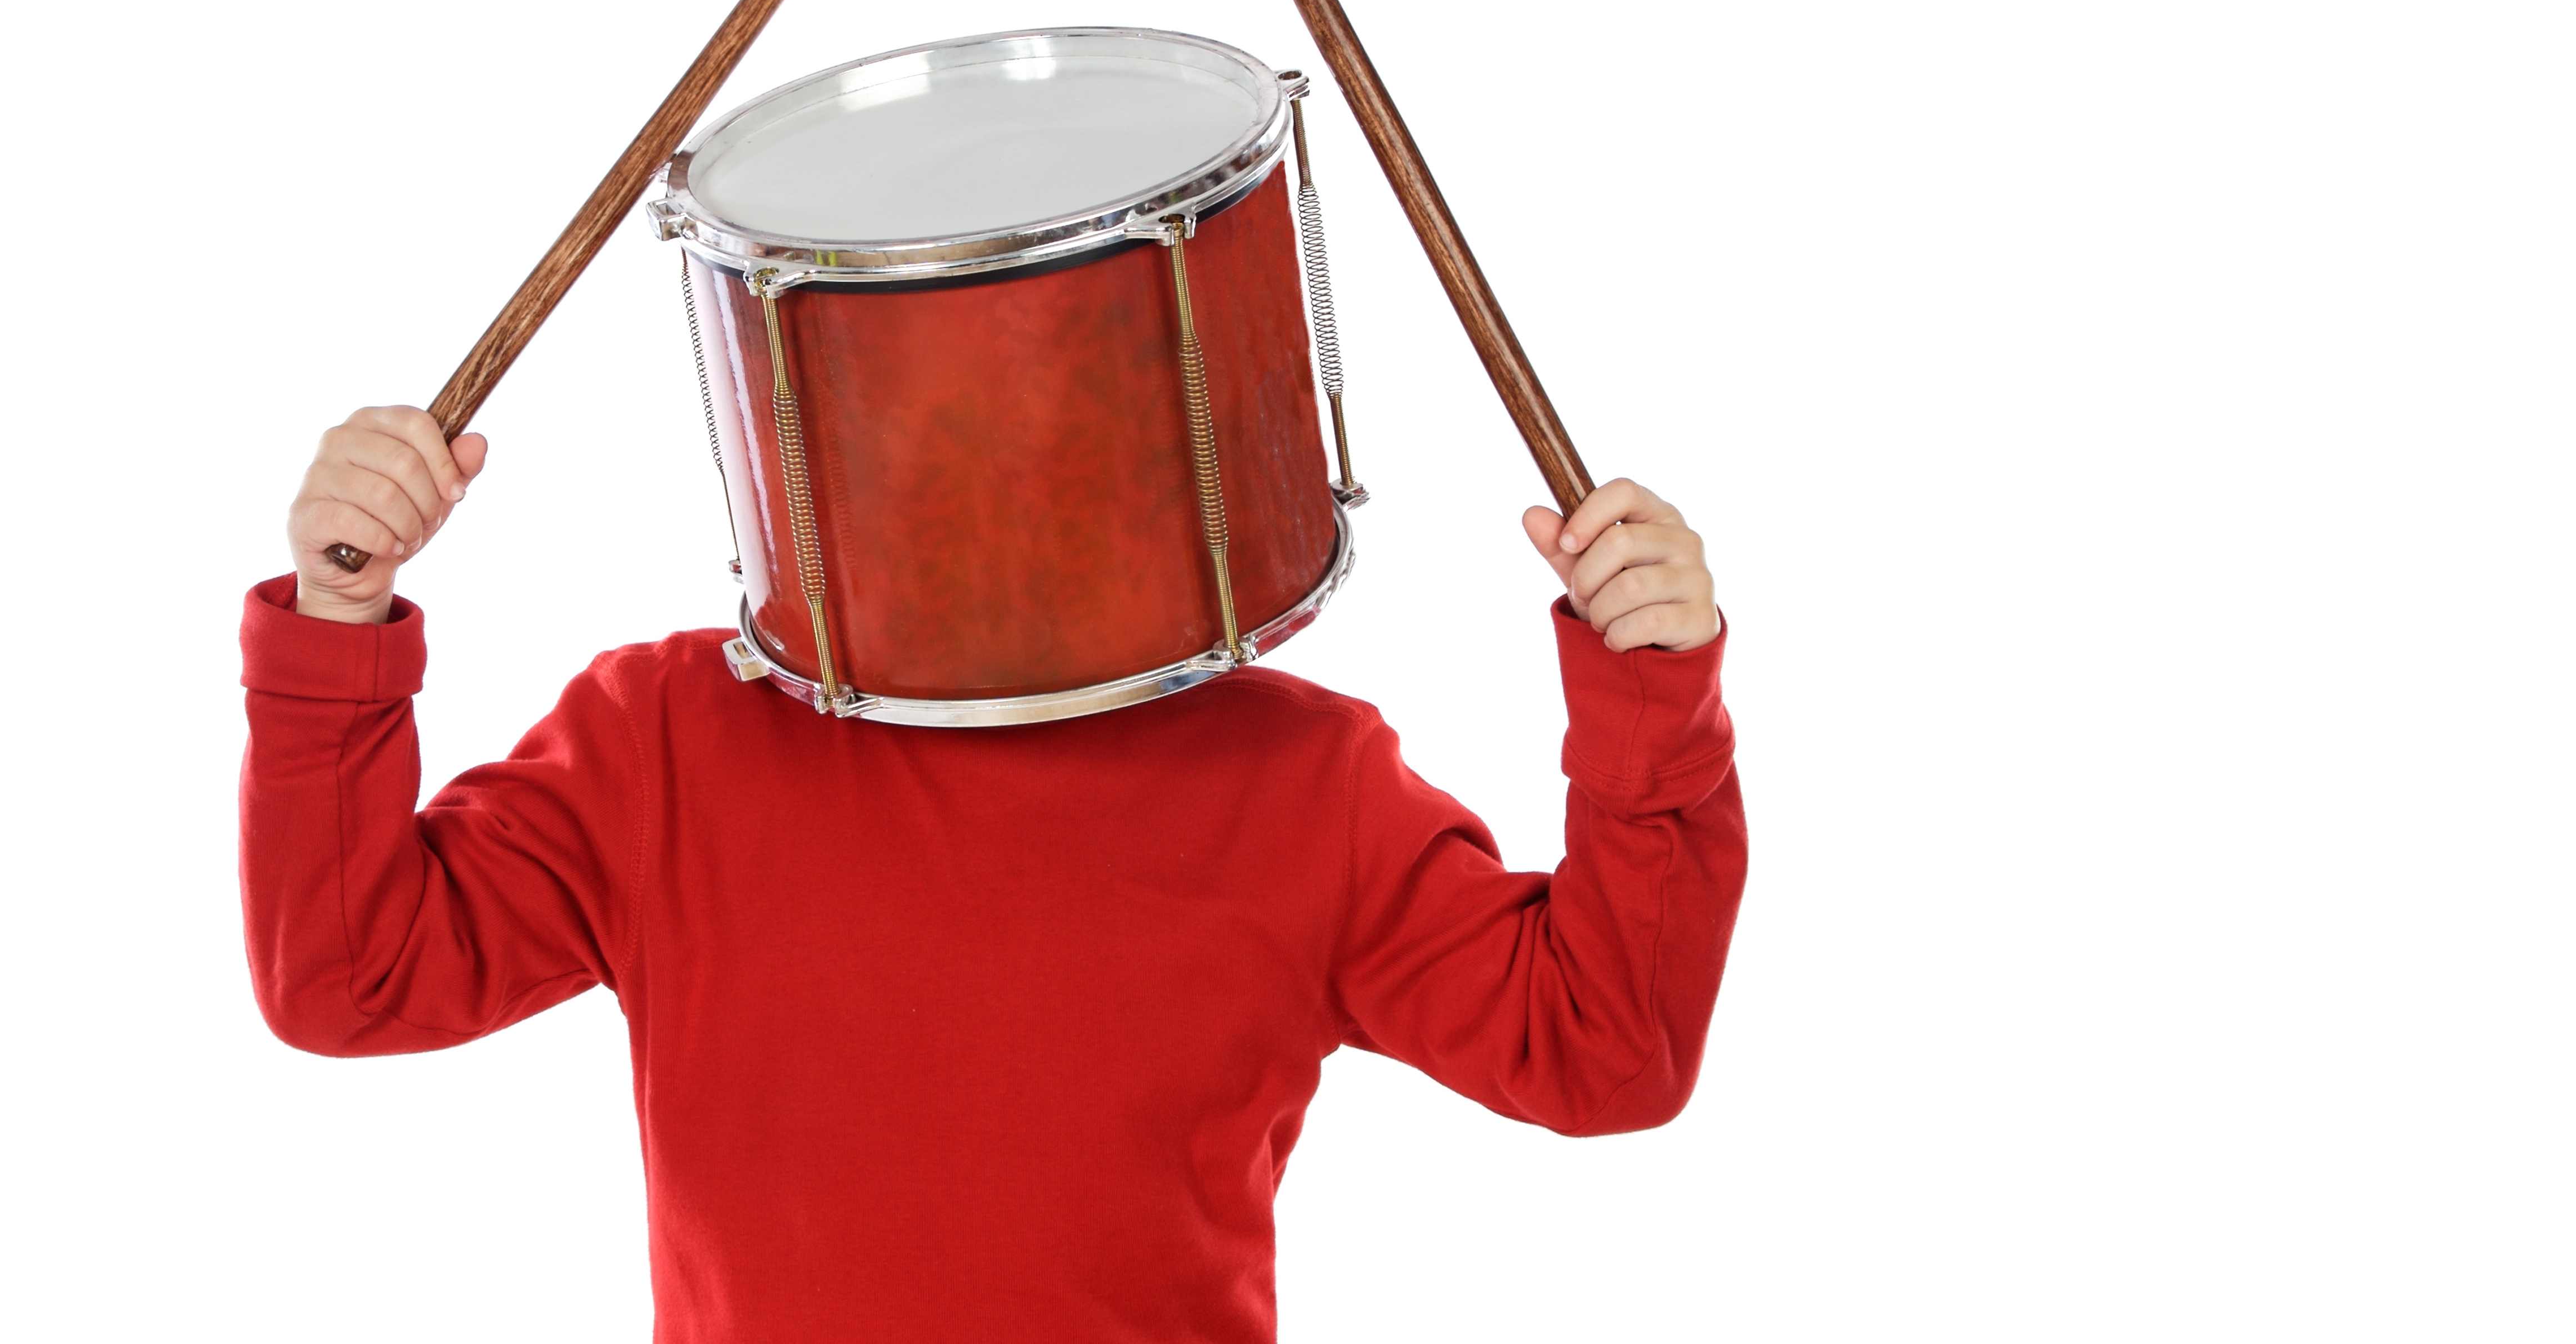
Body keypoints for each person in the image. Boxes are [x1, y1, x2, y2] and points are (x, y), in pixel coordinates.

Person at [240, 406, 1743, 1344]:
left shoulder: (1305, 780)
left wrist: (1655, 703)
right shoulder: (665, 740)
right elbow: (347, 976)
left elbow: (1603, 1049)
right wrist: (337, 610)